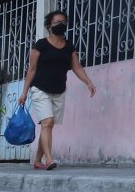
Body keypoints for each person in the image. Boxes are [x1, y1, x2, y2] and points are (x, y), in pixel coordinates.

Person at [18, 10, 97, 170]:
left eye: (63, 22)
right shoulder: (41, 45)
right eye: (56, 22)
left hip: (59, 91)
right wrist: (24, 92)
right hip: (40, 89)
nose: (60, 24)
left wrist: (88, 81)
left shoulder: (69, 47)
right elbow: (31, 70)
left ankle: (38, 161)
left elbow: (76, 67)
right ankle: (49, 159)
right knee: (47, 123)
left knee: (48, 125)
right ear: (49, 26)